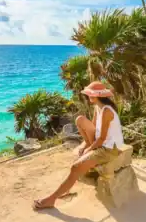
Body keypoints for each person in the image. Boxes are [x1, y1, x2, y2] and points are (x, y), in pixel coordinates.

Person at [33, 81, 124, 210]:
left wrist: (89, 149)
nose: (88, 96)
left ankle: (51, 200)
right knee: (79, 119)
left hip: (110, 148)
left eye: (90, 94)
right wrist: (86, 144)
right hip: (102, 142)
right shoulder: (98, 108)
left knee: (75, 167)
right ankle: (62, 191)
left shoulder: (107, 111)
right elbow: (93, 128)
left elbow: (103, 138)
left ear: (97, 95)